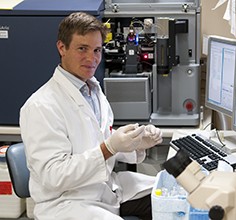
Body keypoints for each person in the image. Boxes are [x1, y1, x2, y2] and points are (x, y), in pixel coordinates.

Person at [19, 12, 162, 220]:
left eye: (96, 50)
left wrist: (137, 144)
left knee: (174, 198)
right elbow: (54, 176)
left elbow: (98, 146)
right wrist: (108, 148)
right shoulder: (41, 106)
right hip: (68, 203)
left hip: (106, 190)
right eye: (82, 49)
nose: (91, 58)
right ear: (62, 48)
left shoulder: (93, 90)